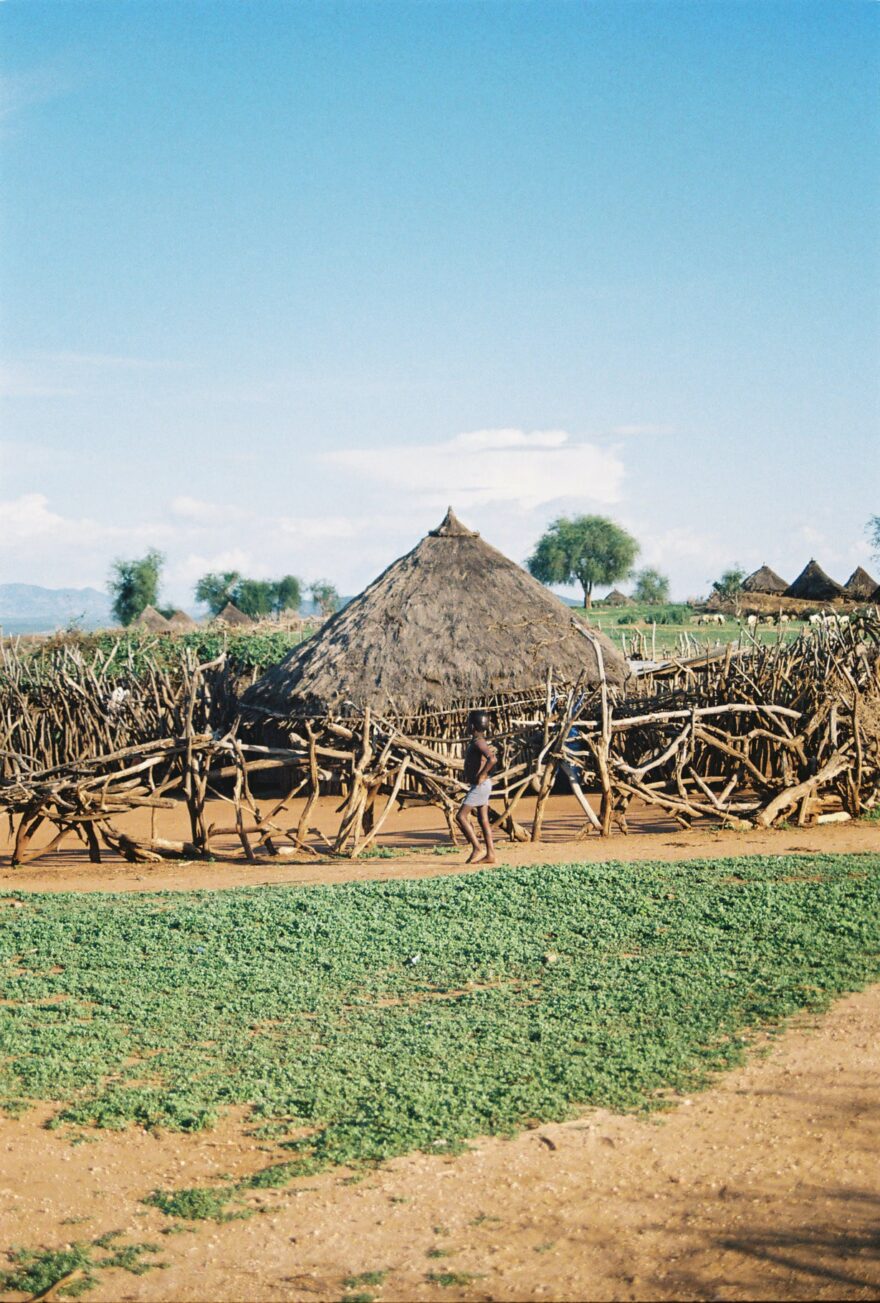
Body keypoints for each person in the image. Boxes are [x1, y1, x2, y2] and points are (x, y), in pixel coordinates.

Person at [456, 709, 497, 864]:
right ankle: (491, 854)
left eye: (468, 723)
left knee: (460, 816)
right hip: (484, 785)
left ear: (472, 726)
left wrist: (482, 775)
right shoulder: (478, 740)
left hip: (480, 785)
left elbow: (492, 759)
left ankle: (477, 847)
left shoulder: (478, 742)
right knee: (483, 820)